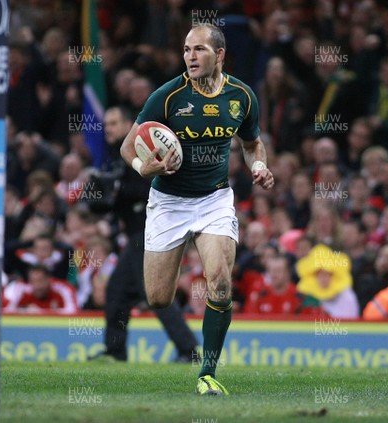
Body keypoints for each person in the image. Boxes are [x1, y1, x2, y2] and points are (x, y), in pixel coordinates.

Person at [119, 24, 274, 395]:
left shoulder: (242, 97)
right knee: (158, 297)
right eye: (187, 49)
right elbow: (128, 146)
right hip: (169, 202)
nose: (190, 56)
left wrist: (258, 166)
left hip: (213, 200)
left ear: (219, 55)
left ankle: (208, 373)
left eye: (199, 49)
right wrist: (146, 168)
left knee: (220, 281)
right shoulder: (168, 96)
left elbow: (253, 144)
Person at [95, 106, 200, 364]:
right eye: (106, 124)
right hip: (136, 236)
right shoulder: (116, 158)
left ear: (128, 125)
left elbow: (148, 189)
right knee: (118, 292)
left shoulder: (143, 150)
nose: (108, 128)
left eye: (113, 123)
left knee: (154, 295)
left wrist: (116, 193)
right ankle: (115, 351)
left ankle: (189, 351)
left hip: (150, 234)